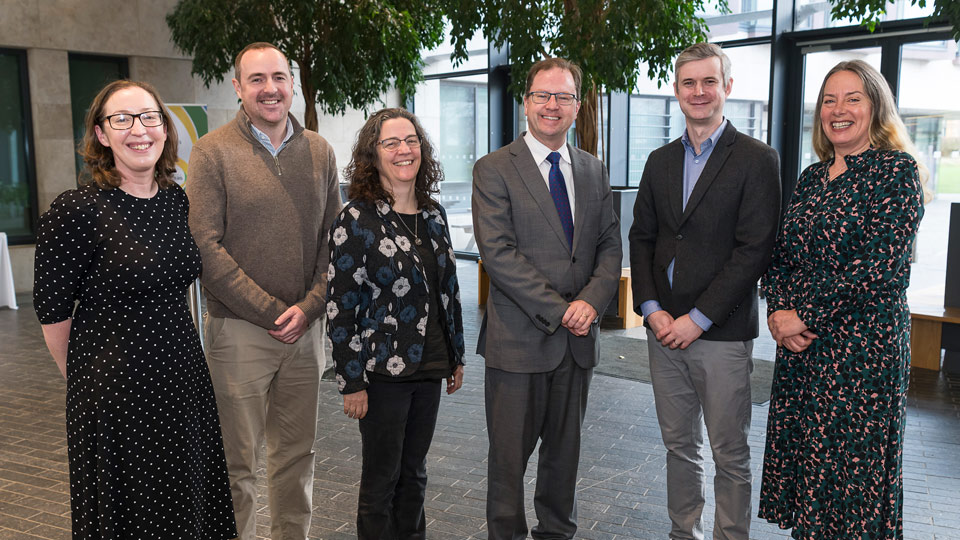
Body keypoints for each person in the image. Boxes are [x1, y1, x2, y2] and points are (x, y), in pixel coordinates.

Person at [33, 80, 236, 539]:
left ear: (164, 129)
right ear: (102, 135)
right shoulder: (76, 210)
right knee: (132, 517)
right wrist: (88, 380)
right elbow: (52, 315)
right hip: (116, 396)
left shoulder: (175, 201)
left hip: (182, 382)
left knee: (188, 507)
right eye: (121, 119)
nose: (138, 129)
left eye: (149, 117)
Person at [758, 60, 925, 539]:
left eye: (853, 98)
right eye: (829, 100)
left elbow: (880, 268)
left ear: (875, 106)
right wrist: (777, 314)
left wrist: (802, 316)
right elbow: (783, 255)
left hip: (861, 355)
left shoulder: (896, 172)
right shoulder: (812, 178)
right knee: (810, 478)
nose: (839, 110)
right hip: (804, 354)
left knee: (852, 484)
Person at [186, 42, 342, 540]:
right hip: (239, 332)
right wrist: (275, 311)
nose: (269, 89)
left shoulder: (319, 150)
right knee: (237, 465)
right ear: (238, 87)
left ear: (292, 83)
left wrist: (310, 307)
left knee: (297, 458)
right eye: (256, 80)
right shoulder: (212, 152)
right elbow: (204, 247)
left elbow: (333, 240)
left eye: (278, 77)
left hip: (305, 332)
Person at [628, 42, 781, 540]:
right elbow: (643, 238)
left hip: (720, 332)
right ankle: (682, 532)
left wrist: (698, 318)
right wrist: (651, 310)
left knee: (729, 453)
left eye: (709, 81)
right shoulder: (659, 160)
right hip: (663, 332)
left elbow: (753, 250)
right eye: (688, 83)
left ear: (727, 87)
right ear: (676, 91)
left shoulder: (757, 160)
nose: (699, 91)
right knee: (678, 446)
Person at [472, 57, 622, 539]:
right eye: (543, 95)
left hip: (576, 348)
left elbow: (609, 246)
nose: (552, 105)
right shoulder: (494, 169)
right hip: (518, 343)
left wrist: (591, 304)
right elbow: (499, 255)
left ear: (578, 106)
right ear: (527, 102)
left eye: (563, 96)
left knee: (564, 462)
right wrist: (562, 311)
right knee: (508, 466)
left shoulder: (594, 170)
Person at [325, 107, 466, 539]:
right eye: (392, 143)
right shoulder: (356, 220)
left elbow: (448, 291)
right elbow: (340, 307)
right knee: (381, 481)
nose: (404, 150)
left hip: (431, 364)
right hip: (382, 372)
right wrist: (352, 381)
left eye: (411, 141)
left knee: (415, 475)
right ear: (374, 153)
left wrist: (456, 356)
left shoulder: (434, 214)